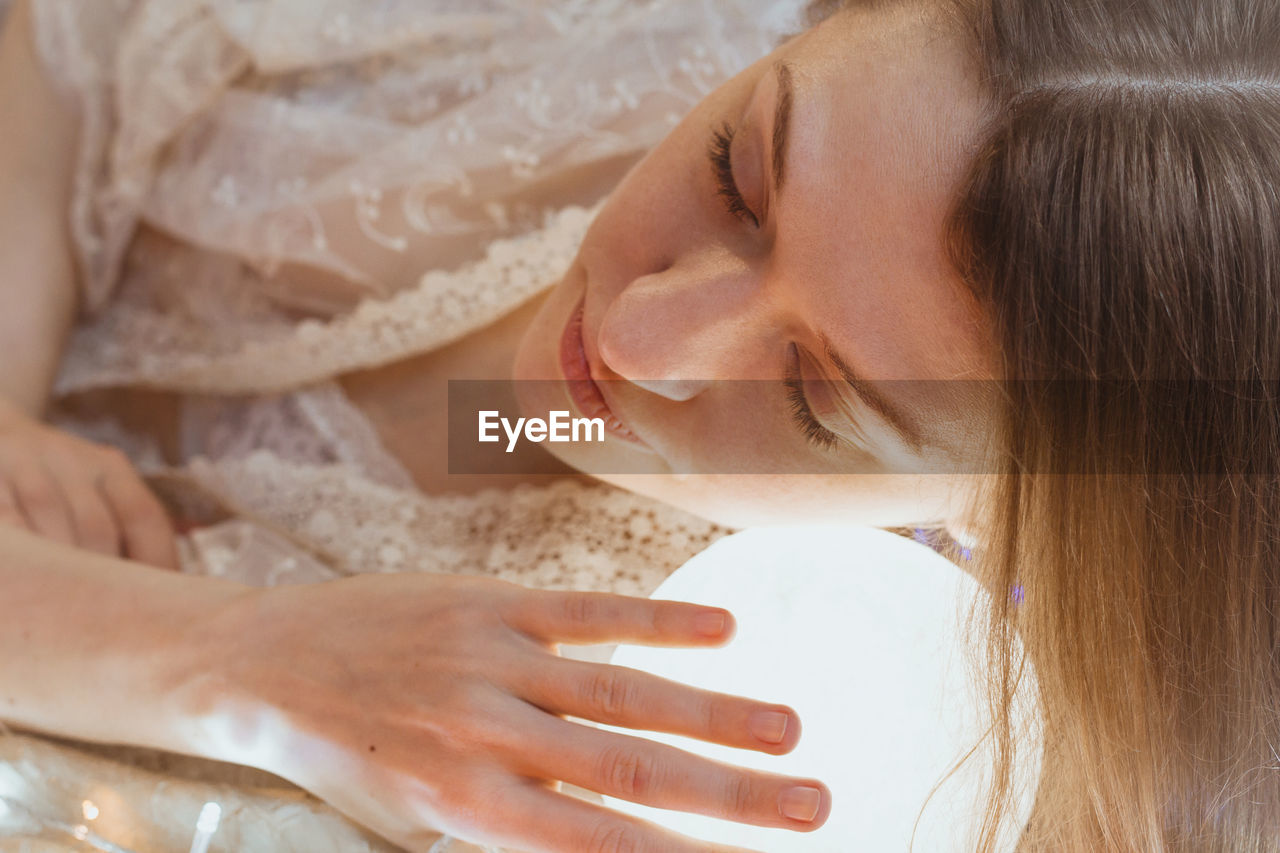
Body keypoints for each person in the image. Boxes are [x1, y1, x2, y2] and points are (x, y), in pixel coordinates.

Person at [1, 1, 1276, 852]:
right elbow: (68, 45)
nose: (634, 340)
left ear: (999, 522)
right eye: (736, 175)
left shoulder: (790, 719)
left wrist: (223, 663)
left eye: (812, 399)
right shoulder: (641, 33)